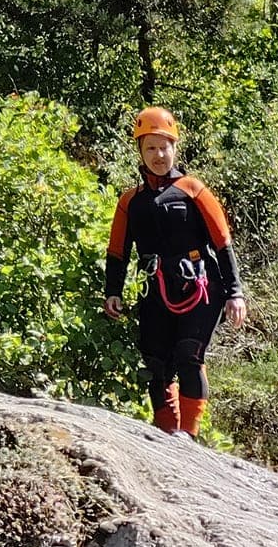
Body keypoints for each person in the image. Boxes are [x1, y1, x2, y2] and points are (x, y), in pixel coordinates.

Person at [102, 107, 245, 436]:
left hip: (201, 286)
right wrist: (113, 291)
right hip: (156, 288)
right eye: (150, 147)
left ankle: (189, 437)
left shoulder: (193, 190)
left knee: (188, 355)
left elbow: (223, 243)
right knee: (156, 364)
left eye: (164, 147)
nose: (158, 154)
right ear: (140, 151)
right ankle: (166, 433)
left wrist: (235, 293)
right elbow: (117, 252)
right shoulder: (130, 202)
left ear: (174, 148)